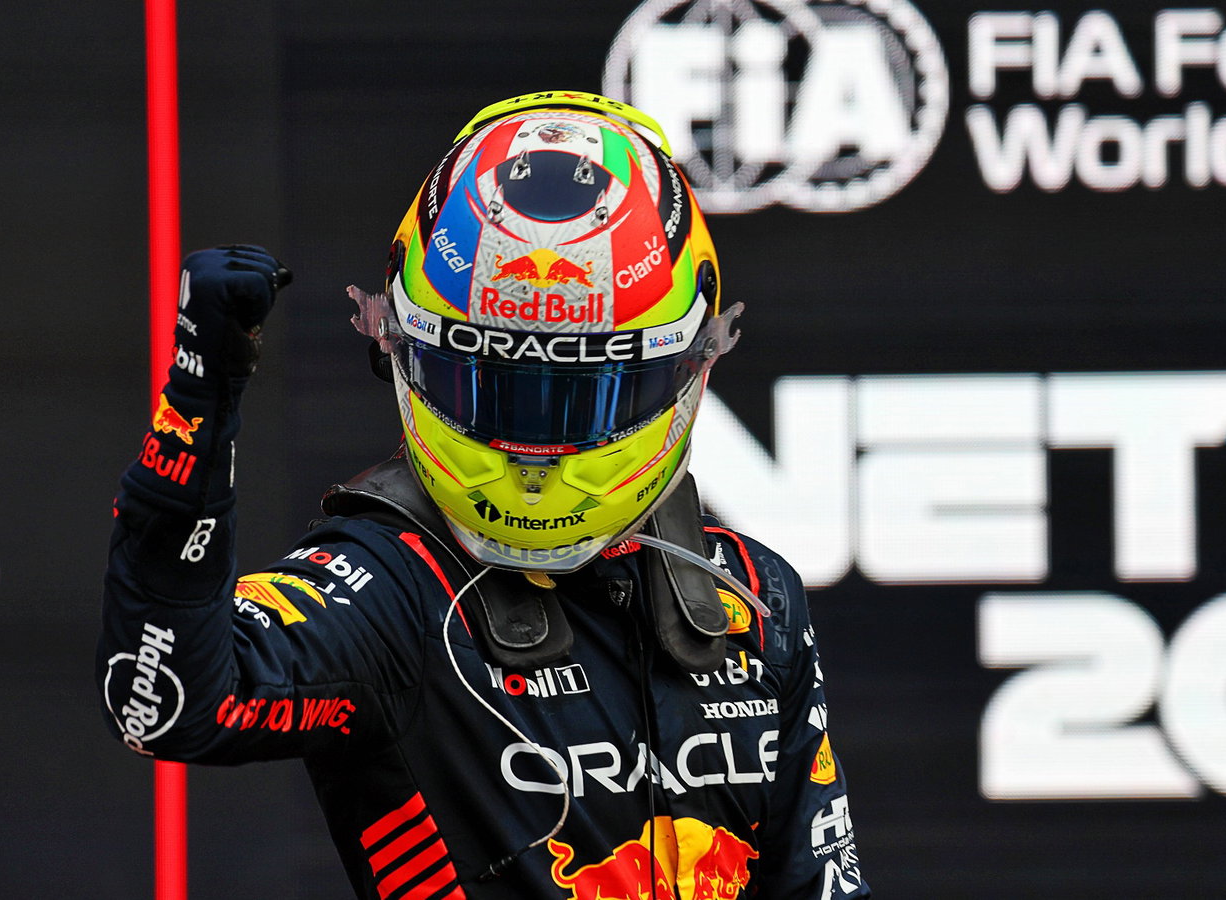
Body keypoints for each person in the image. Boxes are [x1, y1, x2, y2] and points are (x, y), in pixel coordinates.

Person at [100, 91, 868, 900]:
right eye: (493, 390)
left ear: (685, 368)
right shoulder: (389, 591)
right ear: (404, 349)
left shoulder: (752, 594)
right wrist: (197, 410)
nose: (533, 453)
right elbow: (162, 702)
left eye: (582, 399)